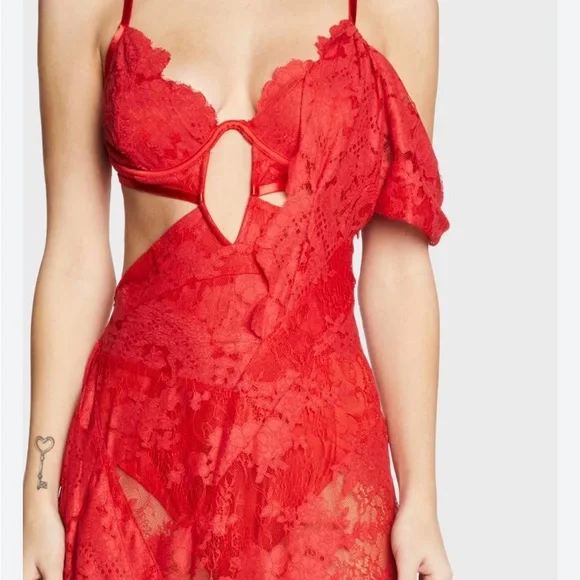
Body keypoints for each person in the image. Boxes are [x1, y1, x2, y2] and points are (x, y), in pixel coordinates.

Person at [23, 0, 452, 578]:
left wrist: (421, 497)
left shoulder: (394, 8)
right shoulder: (82, 7)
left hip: (320, 470)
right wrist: (37, 491)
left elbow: (397, 268)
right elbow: (74, 258)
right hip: (136, 468)